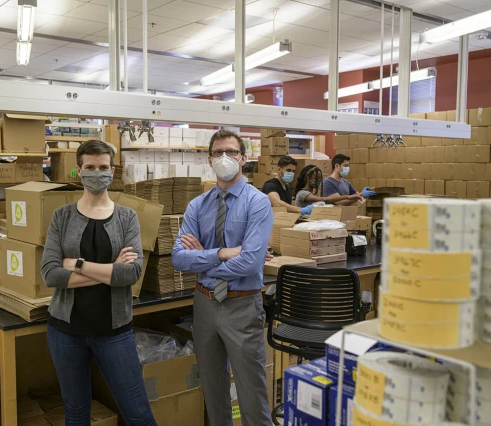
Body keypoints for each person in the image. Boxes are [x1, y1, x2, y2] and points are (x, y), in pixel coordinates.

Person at [41, 140, 157, 426]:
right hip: (65, 331)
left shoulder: (127, 217)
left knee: (139, 414)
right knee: (76, 414)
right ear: (78, 171)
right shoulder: (62, 217)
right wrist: (110, 272)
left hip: (114, 331)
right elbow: (51, 275)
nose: (97, 173)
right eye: (90, 167)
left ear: (112, 170)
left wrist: (78, 264)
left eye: (103, 167)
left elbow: (131, 274)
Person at [172, 130, 273, 426]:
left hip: (242, 306)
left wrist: (203, 261)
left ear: (243, 158)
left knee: (251, 393)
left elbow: (250, 262)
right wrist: (223, 253)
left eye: (231, 152)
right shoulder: (197, 206)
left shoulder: (258, 203)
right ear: (209, 160)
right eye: (218, 153)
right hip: (204, 305)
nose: (224, 158)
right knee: (213, 389)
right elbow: (178, 258)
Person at [294, 165, 362, 207]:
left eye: (320, 179)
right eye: (316, 178)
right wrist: (347, 196)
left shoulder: (312, 194)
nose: (319, 181)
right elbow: (324, 199)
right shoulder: (302, 193)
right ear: (308, 179)